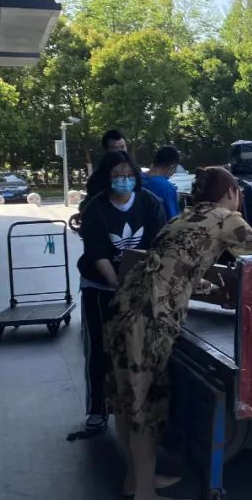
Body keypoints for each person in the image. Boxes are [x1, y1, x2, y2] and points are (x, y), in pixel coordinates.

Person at [106, 167, 252, 500]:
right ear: (230, 192)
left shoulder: (184, 217)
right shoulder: (226, 218)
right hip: (150, 316)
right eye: (238, 192)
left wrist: (212, 288)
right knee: (145, 403)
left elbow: (174, 267)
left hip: (124, 308)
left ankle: (135, 479)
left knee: (128, 397)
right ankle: (144, 493)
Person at [77, 151, 166, 434]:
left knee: (137, 347)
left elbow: (160, 244)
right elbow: (97, 252)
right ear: (107, 178)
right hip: (100, 287)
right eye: (117, 175)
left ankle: (137, 405)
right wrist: (115, 283)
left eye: (129, 175)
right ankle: (97, 409)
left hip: (140, 286)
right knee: (99, 348)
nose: (124, 180)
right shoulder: (95, 209)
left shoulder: (150, 203)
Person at [142, 146, 182, 220]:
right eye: (175, 168)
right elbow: (173, 220)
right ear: (172, 166)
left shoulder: (135, 179)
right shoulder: (167, 188)